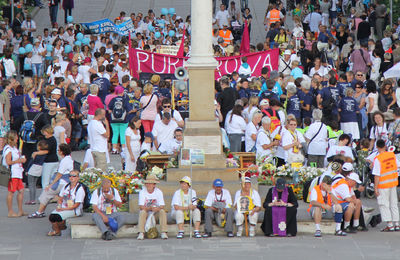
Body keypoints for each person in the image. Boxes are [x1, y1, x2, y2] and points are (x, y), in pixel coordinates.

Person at [28, 143, 73, 219]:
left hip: (61, 182)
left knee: (46, 193)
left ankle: (40, 211)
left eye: (58, 150)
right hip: (65, 182)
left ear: (61, 152)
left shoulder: (64, 161)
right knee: (50, 195)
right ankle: (41, 211)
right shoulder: (68, 159)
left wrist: (51, 185)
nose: (58, 151)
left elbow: (59, 175)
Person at [372, 139, 400, 231]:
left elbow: (377, 175)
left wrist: (375, 188)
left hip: (383, 185)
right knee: (394, 204)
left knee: (384, 204)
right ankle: (397, 224)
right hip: (393, 183)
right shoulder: (392, 155)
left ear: (377, 147)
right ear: (385, 146)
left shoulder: (378, 159)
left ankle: (390, 224)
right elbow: (398, 165)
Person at [47, 169, 85, 236]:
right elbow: (60, 198)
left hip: (74, 209)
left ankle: (60, 228)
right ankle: (57, 230)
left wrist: (63, 209)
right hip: (64, 207)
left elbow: (76, 205)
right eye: (70, 176)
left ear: (78, 178)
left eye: (74, 176)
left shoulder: (80, 189)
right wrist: (59, 205)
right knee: (52, 217)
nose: (71, 178)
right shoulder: (66, 186)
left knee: (58, 217)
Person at [3, 131, 27, 218]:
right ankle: (10, 211)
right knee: (11, 192)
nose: (18, 139)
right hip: (13, 174)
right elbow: (8, 162)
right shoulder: (8, 149)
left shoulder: (14, 148)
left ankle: (20, 210)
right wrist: (19, 160)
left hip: (18, 172)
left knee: (21, 191)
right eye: (16, 137)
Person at [137, 175, 168, 240]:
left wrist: (157, 209)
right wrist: (149, 208)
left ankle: (164, 232)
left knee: (162, 211)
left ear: (154, 185)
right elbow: (141, 206)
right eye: (147, 183)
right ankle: (141, 232)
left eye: (150, 183)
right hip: (147, 212)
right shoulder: (142, 192)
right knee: (142, 212)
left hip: (155, 212)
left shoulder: (159, 192)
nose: (148, 185)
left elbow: (162, 205)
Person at [26, 140, 48, 205]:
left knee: (31, 185)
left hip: (33, 168)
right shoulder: (45, 154)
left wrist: (27, 170)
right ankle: (36, 199)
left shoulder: (35, 153)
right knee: (34, 184)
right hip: (40, 169)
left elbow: (31, 162)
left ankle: (32, 199)